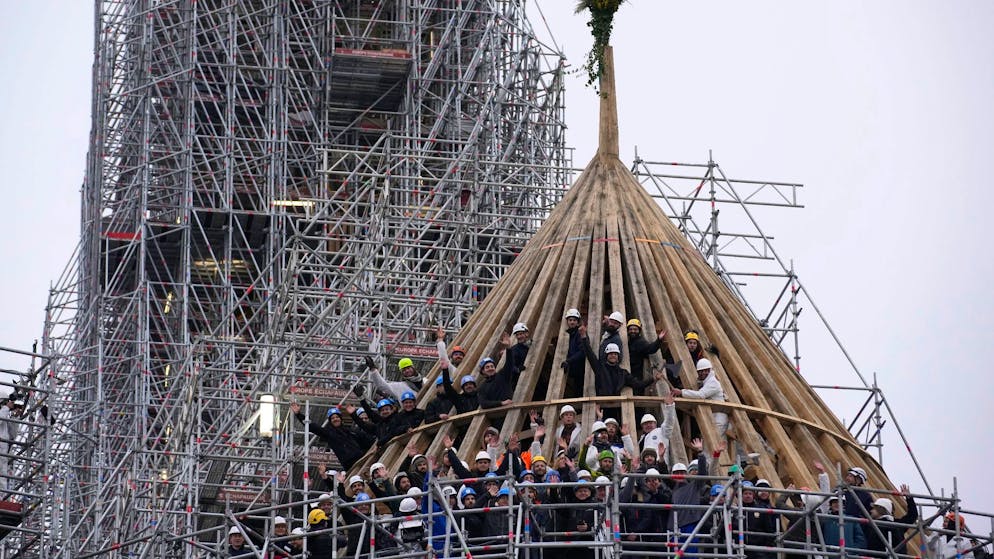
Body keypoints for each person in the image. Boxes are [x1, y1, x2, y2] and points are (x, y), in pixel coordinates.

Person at [580, 327, 658, 401]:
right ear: (607, 356)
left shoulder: (623, 373)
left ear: (618, 357)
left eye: (615, 354)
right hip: (602, 405)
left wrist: (653, 379)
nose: (613, 356)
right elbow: (589, 354)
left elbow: (638, 384)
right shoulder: (600, 368)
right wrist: (584, 337)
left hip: (616, 406)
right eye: (611, 354)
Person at [290, 402, 374, 471]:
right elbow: (313, 427)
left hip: (361, 458)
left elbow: (366, 441)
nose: (335, 419)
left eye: (337, 417)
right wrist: (299, 414)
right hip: (350, 464)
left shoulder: (350, 431)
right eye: (332, 418)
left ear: (341, 418)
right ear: (330, 421)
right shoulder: (329, 433)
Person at [672, 358, 728, 437]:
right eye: (699, 372)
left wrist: (682, 392)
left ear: (708, 371)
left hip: (719, 420)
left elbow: (701, 395)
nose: (701, 374)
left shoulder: (713, 382)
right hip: (712, 418)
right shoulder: (707, 382)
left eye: (703, 371)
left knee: (714, 441)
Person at [866, 484, 918, 556]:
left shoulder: (895, 524)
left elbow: (912, 515)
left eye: (874, 508)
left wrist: (909, 498)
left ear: (880, 509)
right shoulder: (896, 525)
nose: (871, 511)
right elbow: (912, 516)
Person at [626, 319, 667, 390]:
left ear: (639, 330)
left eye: (635, 329)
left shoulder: (640, 342)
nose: (633, 331)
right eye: (631, 329)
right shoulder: (629, 340)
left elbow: (651, 349)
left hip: (636, 373)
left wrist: (659, 340)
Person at [0, 396, 22, 491]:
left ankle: (2, 496)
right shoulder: (3, 412)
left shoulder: (4, 415)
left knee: (2, 476)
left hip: (3, 450)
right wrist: (6, 408)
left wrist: (15, 418)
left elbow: (12, 434)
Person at [562, 309, 586, 388]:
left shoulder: (579, 334)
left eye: (574, 320)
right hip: (573, 368)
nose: (572, 322)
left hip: (579, 369)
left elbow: (582, 352)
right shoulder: (569, 334)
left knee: (578, 388)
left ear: (578, 322)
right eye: (570, 320)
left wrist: (568, 361)